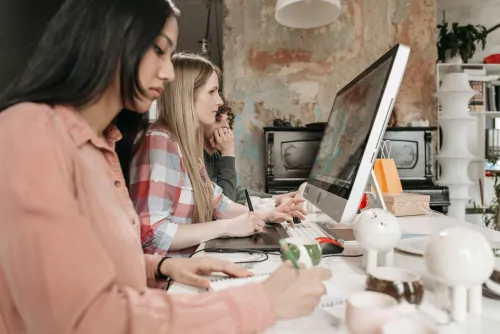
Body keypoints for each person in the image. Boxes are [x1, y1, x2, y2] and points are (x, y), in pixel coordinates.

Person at [0, 0, 331, 333]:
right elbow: (82, 318)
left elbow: (88, 265)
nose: (169, 72)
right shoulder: (29, 134)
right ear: (108, 39)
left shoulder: (104, 145)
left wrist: (160, 267)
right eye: (159, 50)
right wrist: (263, 302)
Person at [129, 52, 306, 256]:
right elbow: (151, 234)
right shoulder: (159, 142)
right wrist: (226, 227)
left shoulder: (184, 144)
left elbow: (218, 202)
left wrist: (268, 215)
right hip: (170, 280)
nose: (220, 100)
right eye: (212, 91)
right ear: (187, 95)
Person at [203, 96, 300, 204]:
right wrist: (228, 153)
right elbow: (225, 205)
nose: (227, 127)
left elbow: (236, 192)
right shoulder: (199, 158)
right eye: (219, 120)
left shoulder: (214, 156)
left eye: (227, 121)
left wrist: (275, 198)